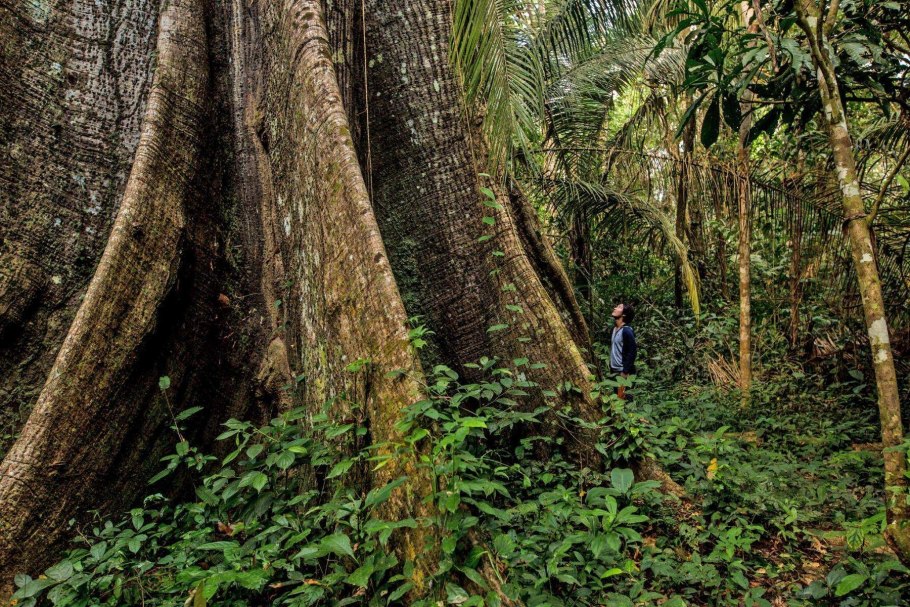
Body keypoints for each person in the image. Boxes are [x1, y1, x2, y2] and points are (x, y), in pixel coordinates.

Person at [609, 303, 637, 399]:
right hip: (614, 370)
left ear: (624, 314)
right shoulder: (614, 329)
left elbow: (632, 352)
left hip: (623, 372)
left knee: (624, 400)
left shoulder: (627, 331)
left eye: (619, 307)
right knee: (617, 399)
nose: (615, 308)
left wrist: (625, 371)